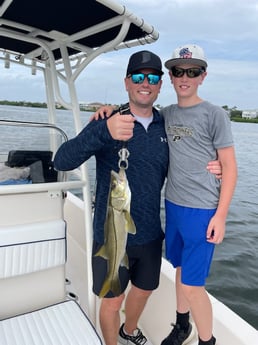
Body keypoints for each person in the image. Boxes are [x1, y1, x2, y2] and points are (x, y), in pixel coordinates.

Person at [54, 50, 168, 345]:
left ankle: (128, 331)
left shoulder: (165, 127)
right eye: (139, 77)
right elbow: (62, 160)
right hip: (110, 235)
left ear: (160, 85)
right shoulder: (107, 120)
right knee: (112, 301)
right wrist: (103, 130)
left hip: (151, 235)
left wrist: (215, 166)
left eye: (153, 77)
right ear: (127, 82)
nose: (146, 82)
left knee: (144, 291)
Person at [159, 44, 237, 345]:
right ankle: (182, 326)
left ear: (203, 76)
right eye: (178, 71)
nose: (185, 77)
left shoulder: (215, 114)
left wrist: (221, 216)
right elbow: (136, 113)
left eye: (192, 71)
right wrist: (107, 112)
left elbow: (229, 167)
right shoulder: (166, 114)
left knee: (193, 286)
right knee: (179, 269)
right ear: (171, 75)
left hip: (202, 211)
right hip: (173, 205)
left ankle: (207, 341)